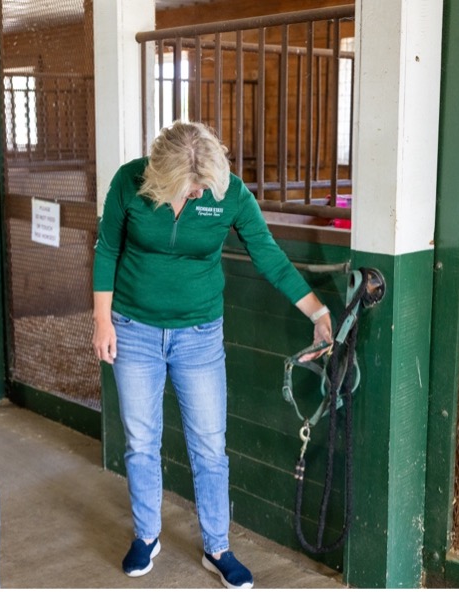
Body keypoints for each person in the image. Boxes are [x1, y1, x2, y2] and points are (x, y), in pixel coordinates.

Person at [92, 121, 333, 589]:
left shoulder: (229, 192)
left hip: (199, 335)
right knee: (141, 441)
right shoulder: (129, 181)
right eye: (188, 187)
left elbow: (268, 255)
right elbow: (107, 250)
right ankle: (147, 536)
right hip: (134, 329)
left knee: (209, 445)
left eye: (203, 185)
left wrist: (318, 312)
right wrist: (102, 320)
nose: (198, 193)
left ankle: (217, 547)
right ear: (158, 176)